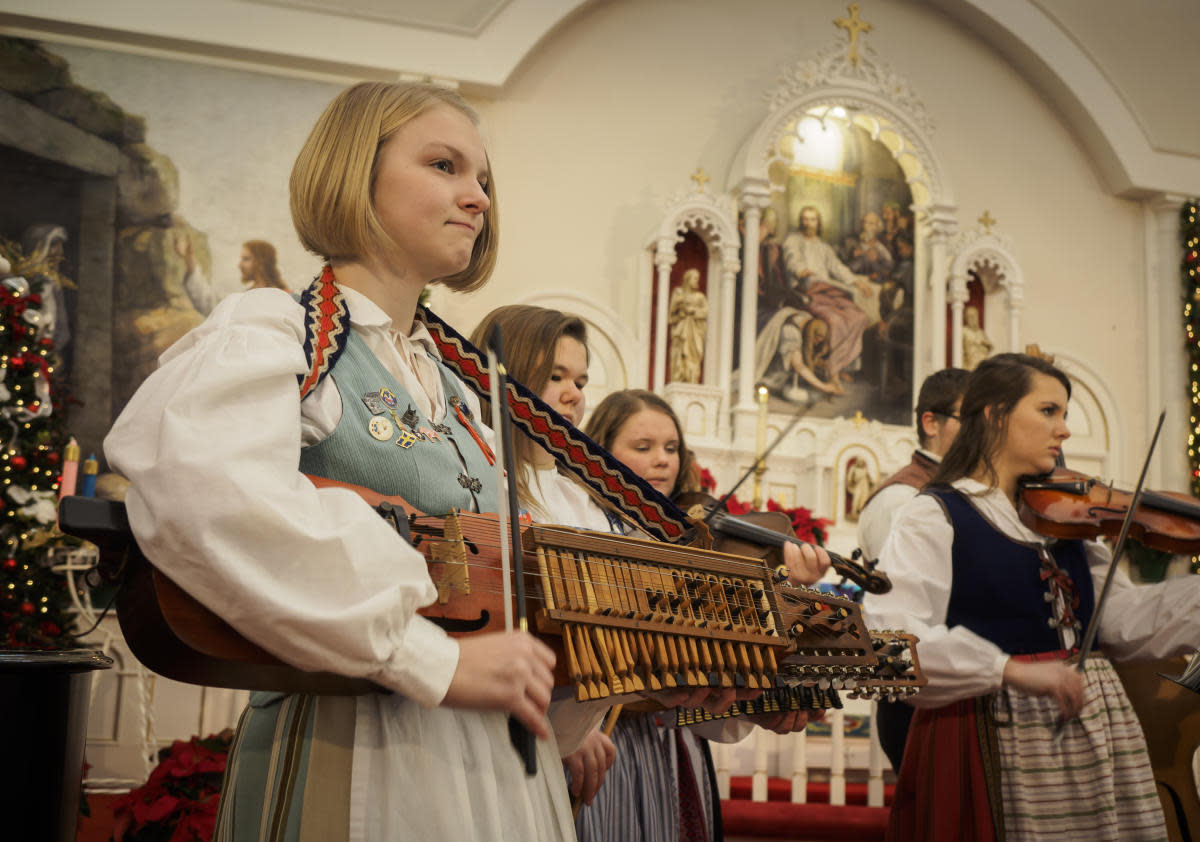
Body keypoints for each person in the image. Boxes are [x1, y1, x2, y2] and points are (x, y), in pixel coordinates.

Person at [105, 81, 577, 842]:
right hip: (356, 746)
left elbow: (508, 595)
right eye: (445, 165)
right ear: (357, 173)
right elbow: (207, 492)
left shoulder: (459, 382)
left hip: (488, 766)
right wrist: (425, 657)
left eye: (482, 179)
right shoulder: (280, 334)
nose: (478, 196)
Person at [863, 353, 1200, 841]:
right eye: (1049, 411)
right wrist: (1010, 670)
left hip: (1092, 733)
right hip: (993, 734)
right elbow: (889, 644)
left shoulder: (1066, 518)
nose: (1064, 430)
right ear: (996, 415)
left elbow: (1120, 621)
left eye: (1064, 414)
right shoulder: (935, 514)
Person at [579, 388, 830, 842]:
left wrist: (757, 700)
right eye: (644, 447)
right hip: (594, 744)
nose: (663, 462)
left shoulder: (689, 539)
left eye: (672, 448)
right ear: (600, 450)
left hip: (669, 750)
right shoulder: (585, 526)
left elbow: (706, 674)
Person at [854, 366, 969, 771]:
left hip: (956, 690)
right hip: (920, 704)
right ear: (930, 422)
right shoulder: (902, 498)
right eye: (967, 418)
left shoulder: (958, 489)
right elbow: (896, 625)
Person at [779, 206, 873, 387]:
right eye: (805, 219)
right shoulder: (793, 240)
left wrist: (857, 282)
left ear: (818, 223)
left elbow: (837, 268)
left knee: (860, 317)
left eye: (812, 219)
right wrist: (801, 270)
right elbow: (792, 259)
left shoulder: (823, 246)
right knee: (836, 321)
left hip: (828, 290)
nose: (808, 223)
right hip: (806, 291)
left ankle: (840, 363)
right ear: (800, 221)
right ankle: (833, 372)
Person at [175, 233, 291, 315]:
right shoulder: (243, 297)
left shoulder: (286, 296)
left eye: (245, 259)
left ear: (261, 262)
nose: (239, 265)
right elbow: (211, 303)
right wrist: (189, 259)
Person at [668, 268, 708, 384]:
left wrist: (693, 310)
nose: (697, 281)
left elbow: (706, 311)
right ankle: (679, 376)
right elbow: (671, 313)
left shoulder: (700, 297)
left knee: (695, 354)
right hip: (682, 329)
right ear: (688, 279)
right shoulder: (678, 293)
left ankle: (692, 378)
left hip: (695, 331)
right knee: (680, 354)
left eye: (698, 279)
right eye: (695, 278)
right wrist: (680, 305)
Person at [962, 304, 993, 370]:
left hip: (982, 364)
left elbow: (990, 346)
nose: (973, 319)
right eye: (970, 316)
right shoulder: (963, 331)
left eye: (974, 316)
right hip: (969, 365)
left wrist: (982, 342)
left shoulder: (980, 332)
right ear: (966, 318)